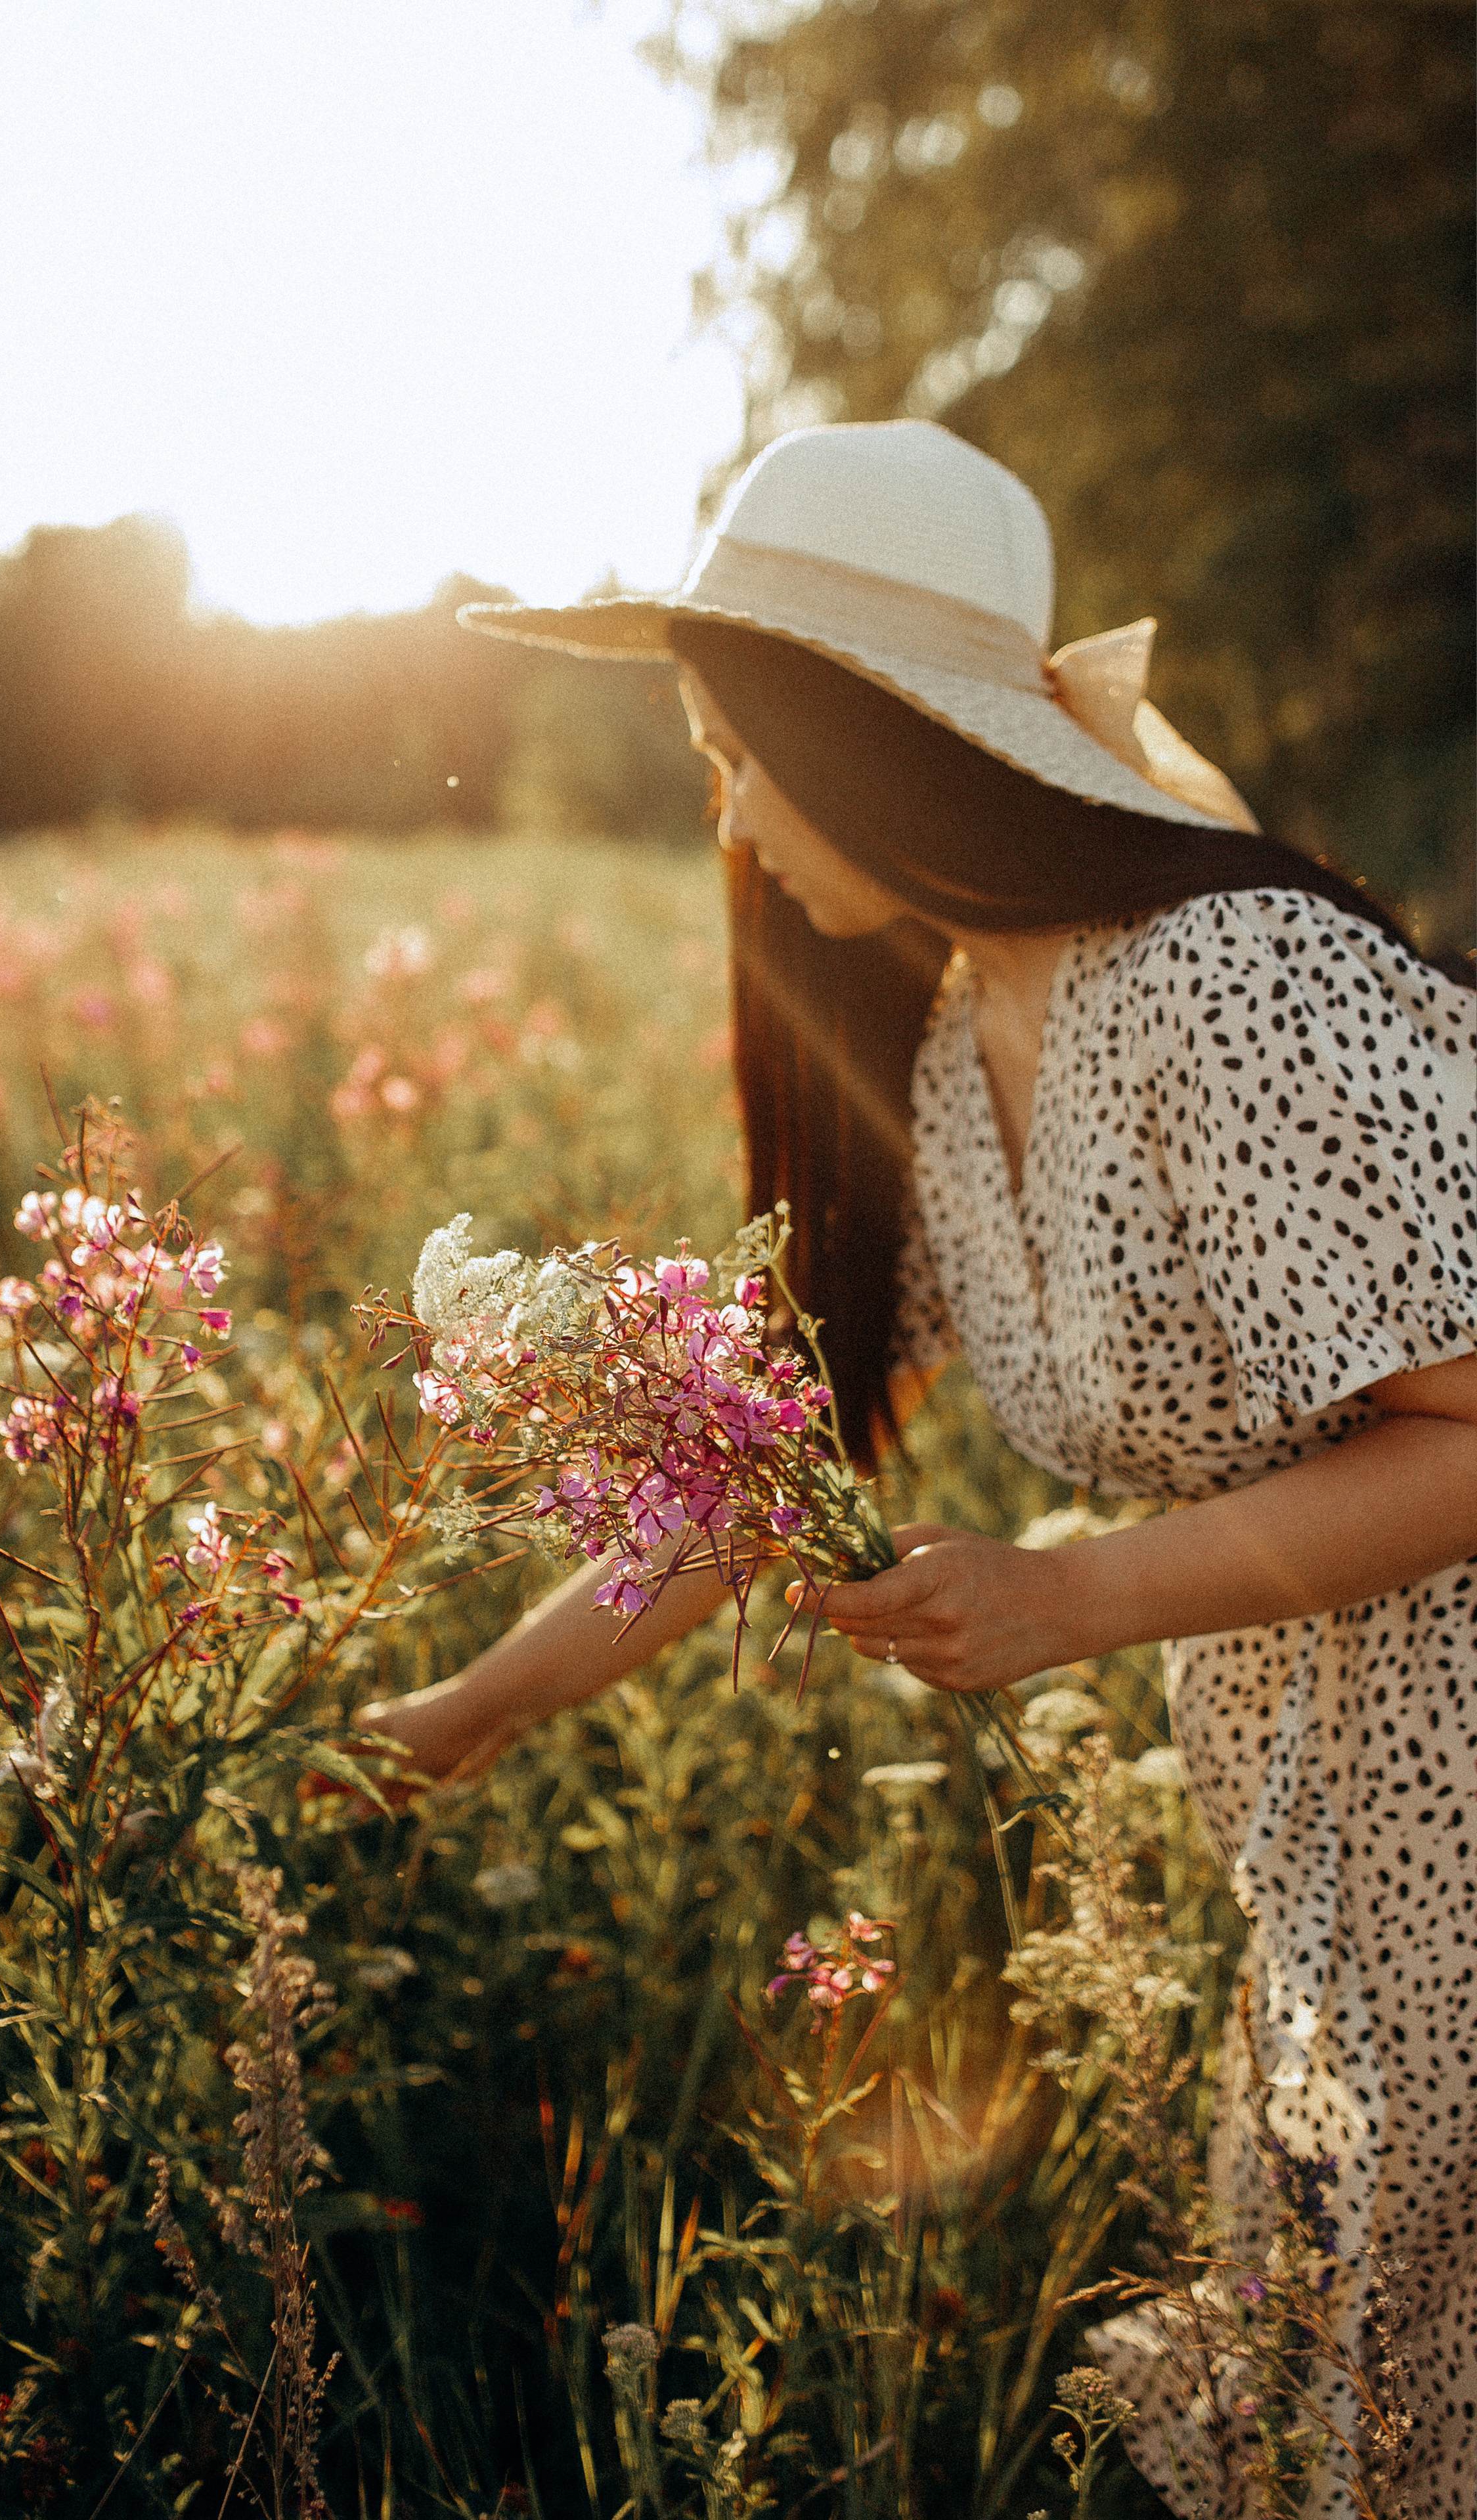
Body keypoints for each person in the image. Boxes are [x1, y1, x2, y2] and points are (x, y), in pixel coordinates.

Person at [360, 421, 1477, 2517]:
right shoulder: (957, 1047)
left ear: (869, 738)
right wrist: (470, 1708)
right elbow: (767, 1468)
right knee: (1363, 2363)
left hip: (1462, 1770)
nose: (728, 818)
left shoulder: (1232, 979)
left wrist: (1074, 1596)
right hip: (1320, 1791)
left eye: (740, 757)